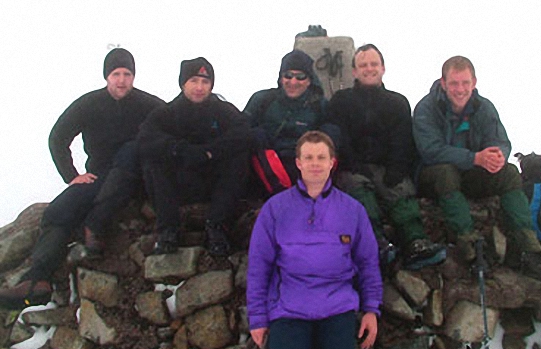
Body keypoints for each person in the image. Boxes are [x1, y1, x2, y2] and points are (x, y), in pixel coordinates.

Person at [0, 48, 165, 309]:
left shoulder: (148, 105)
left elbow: (176, 125)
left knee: (131, 151)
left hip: (135, 179)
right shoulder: (89, 104)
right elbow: (58, 137)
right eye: (116, 74)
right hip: (98, 176)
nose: (122, 80)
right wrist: (72, 176)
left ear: (133, 76)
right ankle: (37, 280)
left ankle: (94, 227)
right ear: (106, 76)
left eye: (127, 74)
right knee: (59, 211)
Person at [247, 131, 382, 349]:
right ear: (298, 162)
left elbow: (368, 263)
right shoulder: (276, 209)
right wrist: (258, 318)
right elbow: (259, 267)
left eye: (321, 157)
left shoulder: (352, 210)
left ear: (333, 162)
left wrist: (371, 309)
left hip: (337, 309)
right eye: (308, 157)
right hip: (288, 310)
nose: (315, 163)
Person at [413, 55, 541, 282]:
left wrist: (497, 155)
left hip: (471, 174)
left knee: (508, 173)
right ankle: (470, 246)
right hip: (434, 176)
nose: (460, 89)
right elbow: (431, 151)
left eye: (465, 83)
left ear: (474, 82)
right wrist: (474, 158)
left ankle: (527, 247)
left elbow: (500, 140)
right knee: (445, 173)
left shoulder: (484, 107)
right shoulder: (426, 108)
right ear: (443, 83)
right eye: (455, 83)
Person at [326, 44, 446, 271]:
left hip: (386, 165)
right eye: (363, 65)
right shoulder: (340, 101)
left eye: (373, 64)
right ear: (354, 71)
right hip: (353, 167)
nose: (369, 69)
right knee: (358, 190)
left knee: (400, 189)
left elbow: (403, 140)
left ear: (383, 68)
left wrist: (397, 168)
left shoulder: (397, 102)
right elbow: (338, 135)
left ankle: (414, 242)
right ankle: (374, 242)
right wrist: (352, 164)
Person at [138, 57, 253, 256]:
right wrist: (179, 149)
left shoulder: (222, 110)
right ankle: (168, 230)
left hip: (213, 181)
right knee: (153, 161)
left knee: (239, 158)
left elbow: (244, 133)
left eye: (205, 82)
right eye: (194, 81)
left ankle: (217, 226)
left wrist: (211, 151)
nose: (199, 87)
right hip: (179, 182)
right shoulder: (166, 113)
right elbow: (145, 139)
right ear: (183, 83)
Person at [243, 49, 330, 189]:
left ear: (309, 81)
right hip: (268, 162)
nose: (293, 82)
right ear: (281, 78)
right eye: (288, 76)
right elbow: (241, 128)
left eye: (300, 76)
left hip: (304, 162)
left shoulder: (320, 106)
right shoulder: (263, 100)